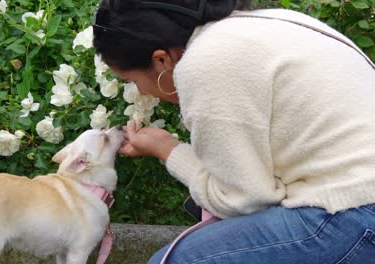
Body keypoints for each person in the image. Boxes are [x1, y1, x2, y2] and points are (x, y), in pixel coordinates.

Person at [92, 0, 375, 263]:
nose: (142, 91)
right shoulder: (269, 21)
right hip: (357, 200)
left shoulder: (206, 60)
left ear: (162, 60)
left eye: (131, 80)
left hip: (354, 211)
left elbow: (245, 201)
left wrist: (167, 150)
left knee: (177, 260)